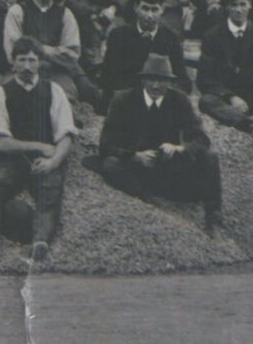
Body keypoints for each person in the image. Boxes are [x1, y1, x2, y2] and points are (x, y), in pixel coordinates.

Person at [0, 37, 77, 265]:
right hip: (14, 159)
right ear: (13, 62)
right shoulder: (1, 93)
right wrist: (38, 146)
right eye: (22, 60)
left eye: (32, 60)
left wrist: (53, 161)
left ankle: (39, 244)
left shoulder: (54, 91)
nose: (27, 66)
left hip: (47, 159)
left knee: (50, 192)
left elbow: (66, 136)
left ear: (40, 63)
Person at [89, 54, 224, 233]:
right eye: (151, 79)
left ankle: (213, 216)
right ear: (142, 80)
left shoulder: (180, 100)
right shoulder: (123, 100)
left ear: (170, 83)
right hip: (136, 169)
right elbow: (106, 144)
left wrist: (180, 148)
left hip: (168, 169)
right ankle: (147, 201)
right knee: (110, 165)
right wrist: (135, 156)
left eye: (161, 81)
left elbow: (201, 140)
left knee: (210, 158)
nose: (155, 86)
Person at [3, 0, 98, 104]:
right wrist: (51, 51)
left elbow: (71, 55)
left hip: (56, 72)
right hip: (24, 70)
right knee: (9, 97)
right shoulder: (17, 11)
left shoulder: (65, 14)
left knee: (65, 99)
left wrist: (36, 48)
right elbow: (13, 49)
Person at [196, 0, 253, 135]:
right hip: (227, 97)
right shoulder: (212, 36)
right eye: (234, 5)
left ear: (250, 6)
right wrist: (231, 97)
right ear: (227, 8)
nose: (239, 10)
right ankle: (250, 126)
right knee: (205, 101)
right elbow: (204, 79)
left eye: (243, 4)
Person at [98, 0, 191, 100]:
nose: (149, 15)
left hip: (159, 100)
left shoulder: (171, 38)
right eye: (145, 8)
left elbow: (183, 80)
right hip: (127, 100)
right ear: (136, 8)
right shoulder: (119, 36)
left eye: (154, 9)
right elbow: (108, 78)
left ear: (162, 9)